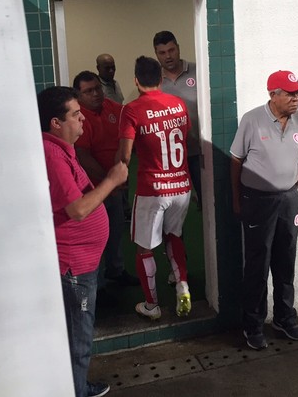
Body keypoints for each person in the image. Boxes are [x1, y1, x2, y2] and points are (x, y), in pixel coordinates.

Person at [38, 86, 128, 397]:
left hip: (81, 263)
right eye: (76, 116)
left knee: (77, 333)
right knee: (79, 337)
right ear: (56, 123)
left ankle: (75, 385)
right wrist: (112, 181)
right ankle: (76, 391)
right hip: (74, 268)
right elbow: (77, 210)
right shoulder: (52, 155)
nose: (82, 121)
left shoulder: (61, 149)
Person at [229, 70, 298, 350]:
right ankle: (253, 326)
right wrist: (238, 199)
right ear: (272, 94)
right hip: (257, 201)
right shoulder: (252, 120)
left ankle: (285, 318)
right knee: (257, 265)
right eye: (289, 93)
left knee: (286, 262)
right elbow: (236, 161)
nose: (295, 98)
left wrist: (290, 189)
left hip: (287, 201)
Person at [117, 56, 192, 320]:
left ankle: (152, 305)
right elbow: (184, 135)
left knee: (144, 248)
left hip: (153, 188)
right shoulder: (178, 104)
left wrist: (118, 178)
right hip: (182, 184)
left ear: (136, 81)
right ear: (160, 79)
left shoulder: (132, 110)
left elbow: (125, 155)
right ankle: (182, 283)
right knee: (175, 235)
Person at [72, 71, 139, 301]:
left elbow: (127, 138)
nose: (95, 94)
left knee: (117, 228)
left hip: (116, 183)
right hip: (94, 187)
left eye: (97, 89)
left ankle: (116, 270)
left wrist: (122, 173)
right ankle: (98, 285)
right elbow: (82, 154)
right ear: (78, 96)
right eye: (88, 91)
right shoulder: (79, 118)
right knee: (97, 234)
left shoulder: (114, 109)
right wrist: (109, 180)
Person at [153, 31, 202, 210]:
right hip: (169, 156)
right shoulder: (154, 80)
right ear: (156, 54)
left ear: (178, 49)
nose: (168, 56)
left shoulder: (198, 71)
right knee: (172, 207)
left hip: (199, 151)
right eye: (162, 53)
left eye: (171, 50)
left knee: (207, 199)